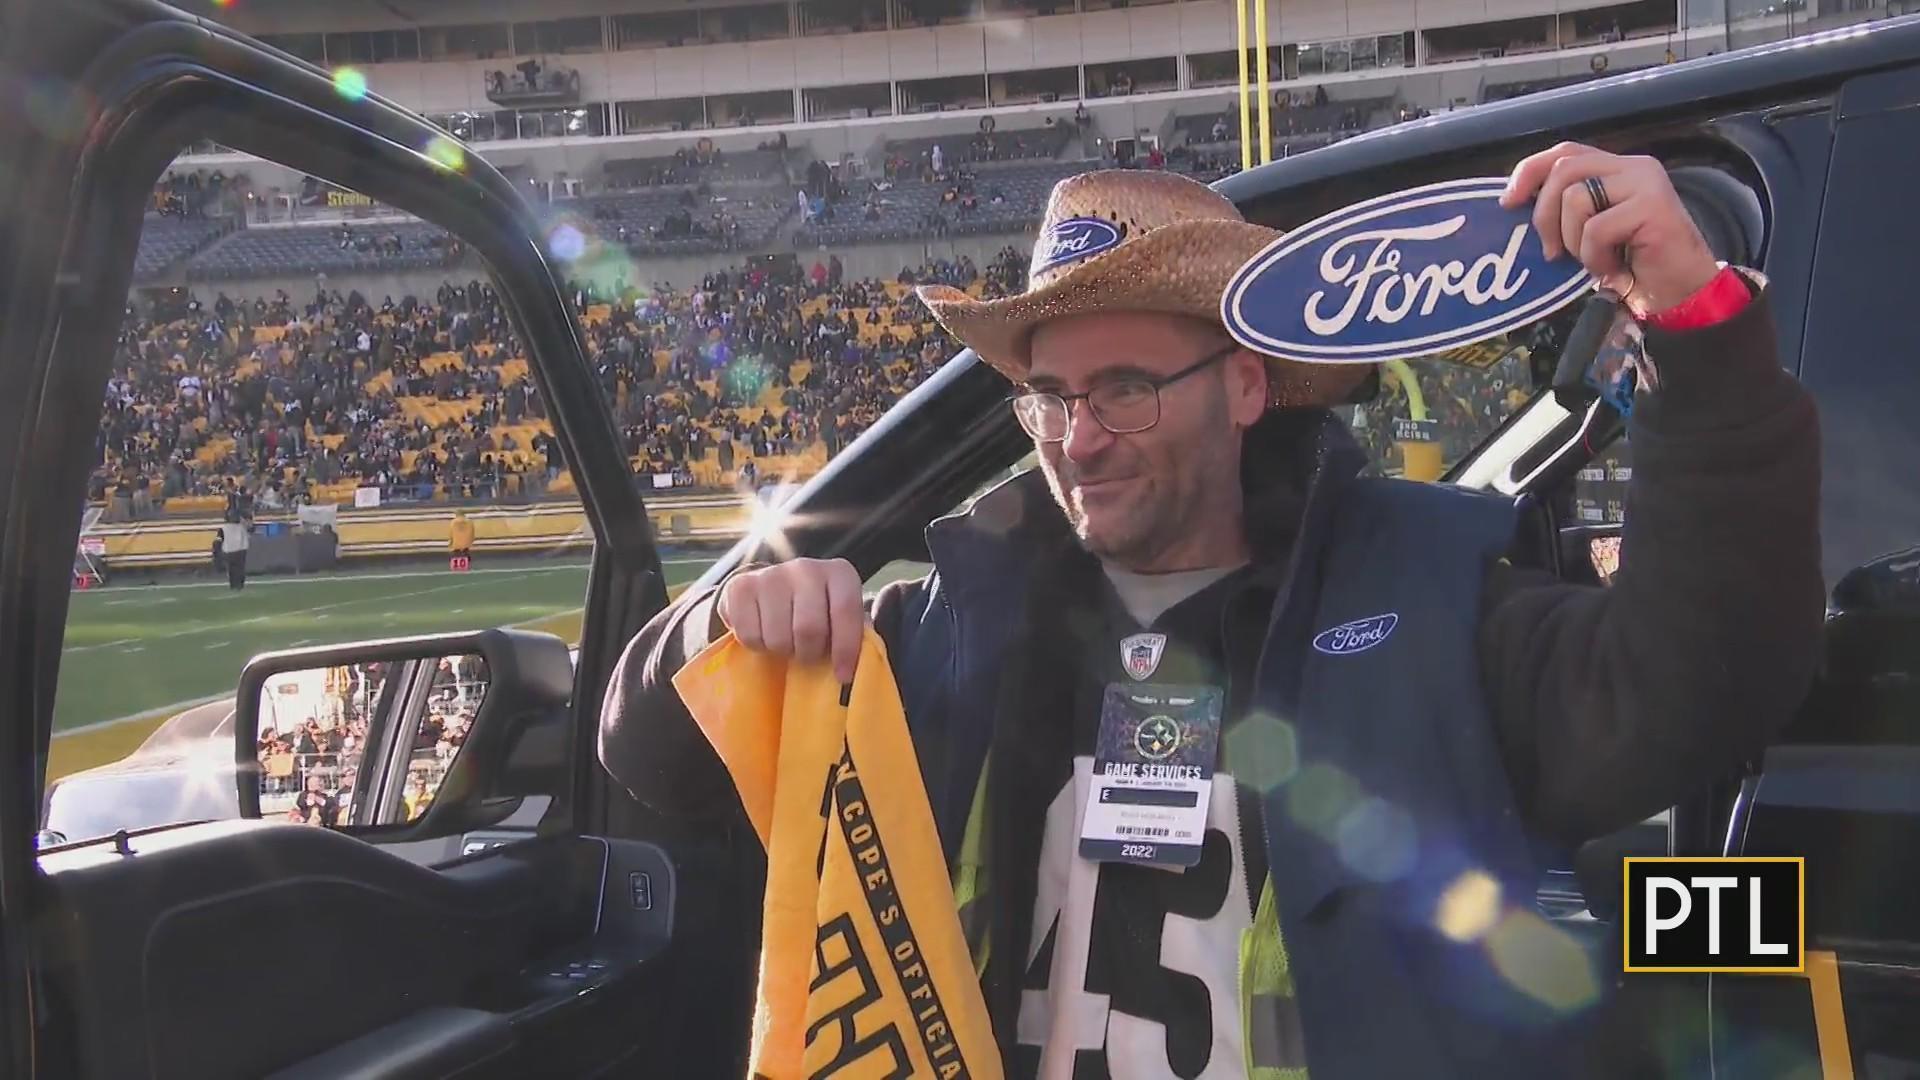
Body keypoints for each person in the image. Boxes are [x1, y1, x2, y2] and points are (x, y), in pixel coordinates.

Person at [601, 159, 1821, 1076]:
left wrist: (1697, 334)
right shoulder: (945, 626)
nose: (1078, 440)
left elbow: (1695, 687)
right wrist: (721, 631)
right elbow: (647, 759)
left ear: (1245, 385)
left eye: (1125, 389)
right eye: (1049, 396)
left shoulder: (1428, 603)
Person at [219, 513, 250, 591]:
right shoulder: (241, 526)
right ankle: (238, 585)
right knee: (238, 570)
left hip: (230, 550)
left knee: (234, 570)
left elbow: (219, 540)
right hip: (238, 550)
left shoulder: (224, 528)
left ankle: (235, 585)